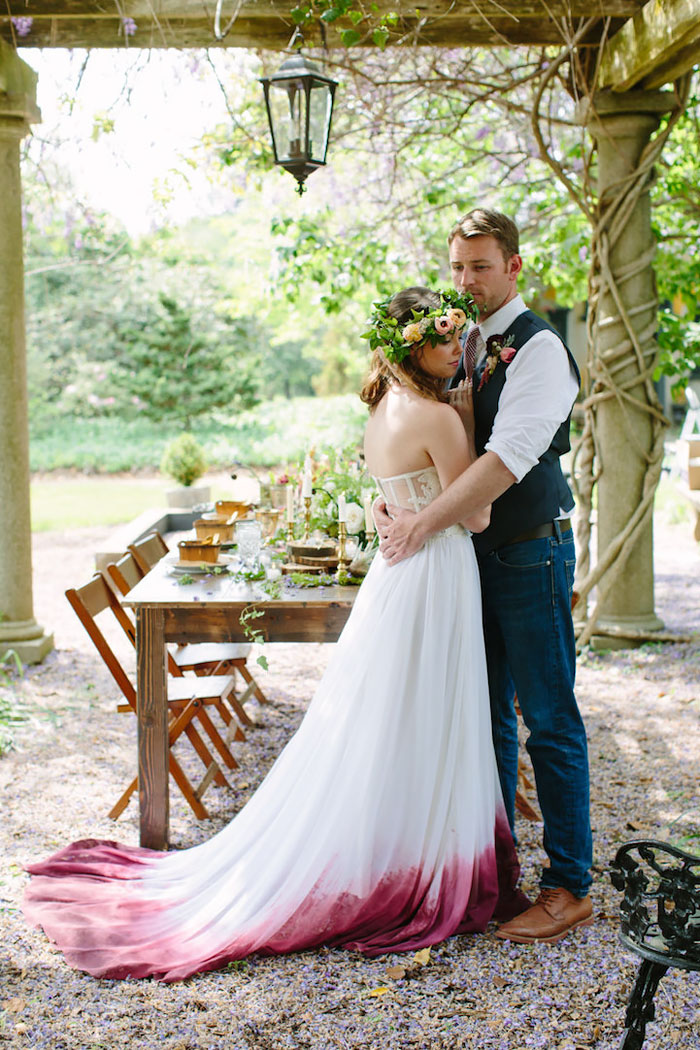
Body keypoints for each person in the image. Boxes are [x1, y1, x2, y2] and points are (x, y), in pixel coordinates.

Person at [23, 286, 524, 983]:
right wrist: (467, 428)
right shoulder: (440, 416)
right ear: (417, 344)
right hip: (434, 571)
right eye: (447, 340)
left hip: (394, 575)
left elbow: (390, 491)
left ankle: (396, 840)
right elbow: (475, 519)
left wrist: (396, 503)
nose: (457, 350)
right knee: (430, 711)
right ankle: (423, 856)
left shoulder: (384, 407)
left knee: (387, 716)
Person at [376, 210, 594, 945]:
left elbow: (502, 464)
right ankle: (494, 874)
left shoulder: (539, 352)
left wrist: (422, 520)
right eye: (458, 267)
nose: (466, 280)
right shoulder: (465, 344)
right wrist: (393, 498)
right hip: (473, 561)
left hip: (530, 552)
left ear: (515, 267)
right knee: (489, 720)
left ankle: (570, 886)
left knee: (549, 720)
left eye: (480, 266)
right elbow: (431, 435)